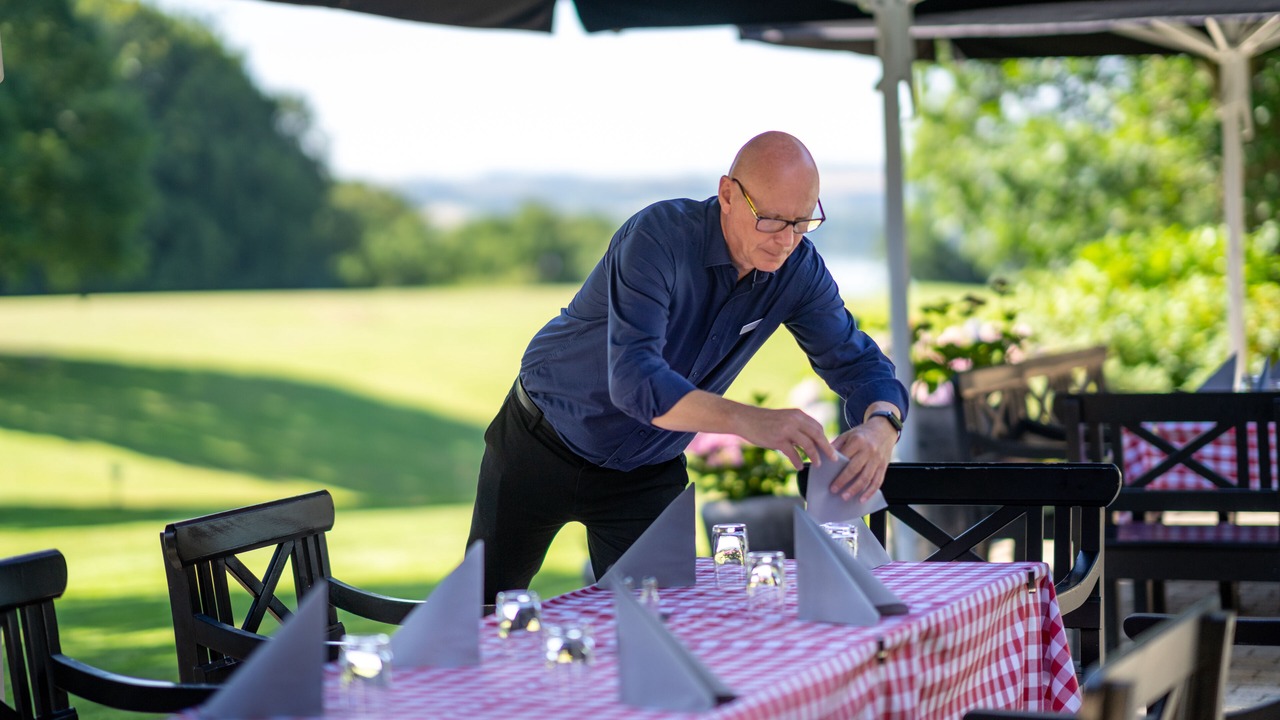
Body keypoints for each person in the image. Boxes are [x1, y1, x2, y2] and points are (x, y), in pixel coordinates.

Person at [466, 131, 907, 601]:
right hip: (540, 442)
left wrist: (882, 424)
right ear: (728, 196)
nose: (787, 242)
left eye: (803, 222)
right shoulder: (658, 237)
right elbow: (636, 382)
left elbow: (861, 363)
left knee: (667, 634)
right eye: (773, 220)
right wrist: (751, 421)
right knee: (480, 617)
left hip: (648, 470)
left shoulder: (799, 271)